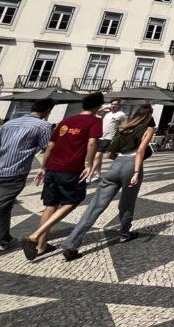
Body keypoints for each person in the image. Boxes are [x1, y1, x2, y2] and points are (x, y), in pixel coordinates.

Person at [62, 104, 155, 260]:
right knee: (127, 203)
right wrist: (137, 172)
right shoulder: (148, 129)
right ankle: (125, 234)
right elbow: (140, 151)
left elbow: (110, 154)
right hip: (131, 166)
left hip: (116, 166)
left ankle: (71, 243)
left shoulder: (123, 129)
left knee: (95, 206)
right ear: (148, 115)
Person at [22, 92, 104, 261]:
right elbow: (91, 142)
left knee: (50, 205)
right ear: (98, 107)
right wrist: (89, 165)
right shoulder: (95, 121)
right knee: (72, 201)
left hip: (52, 168)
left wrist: (43, 167)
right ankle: (34, 237)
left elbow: (51, 145)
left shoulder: (65, 121)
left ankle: (42, 246)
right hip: (71, 169)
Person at [0, 99, 53, 251]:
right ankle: (5, 240)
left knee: (3, 206)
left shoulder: (9, 123)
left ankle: (6, 240)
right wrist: (44, 167)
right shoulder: (43, 125)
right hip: (15, 172)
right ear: (48, 111)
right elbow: (46, 147)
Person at [95, 99, 126, 176]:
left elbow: (124, 127)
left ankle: (90, 173)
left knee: (98, 155)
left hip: (109, 137)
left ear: (119, 105)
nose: (113, 105)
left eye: (115, 104)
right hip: (100, 136)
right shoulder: (107, 114)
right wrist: (105, 107)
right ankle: (98, 174)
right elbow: (97, 111)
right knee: (99, 157)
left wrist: (120, 138)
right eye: (112, 104)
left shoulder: (121, 114)